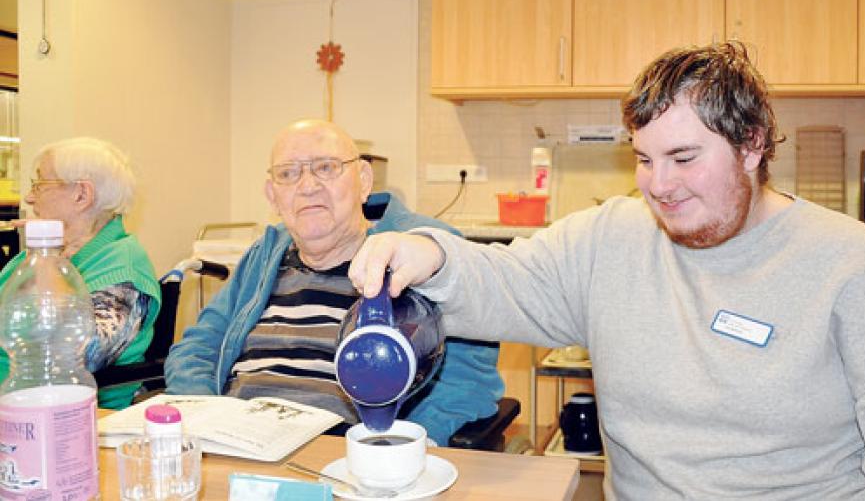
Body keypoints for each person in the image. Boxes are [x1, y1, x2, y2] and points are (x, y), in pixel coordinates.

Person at [349, 43, 865, 498]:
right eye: (644, 159)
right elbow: (510, 283)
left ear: (753, 144)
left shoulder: (857, 269)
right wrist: (432, 254)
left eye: (683, 157)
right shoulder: (611, 237)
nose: (660, 186)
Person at [164, 119, 504, 446]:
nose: (307, 186)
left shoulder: (420, 253)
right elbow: (198, 347)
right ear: (272, 195)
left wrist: (403, 444)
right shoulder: (263, 255)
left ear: (364, 180)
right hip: (238, 442)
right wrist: (205, 417)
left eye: (326, 167)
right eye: (288, 173)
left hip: (343, 451)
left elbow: (469, 378)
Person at [0, 137, 162, 410]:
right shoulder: (40, 256)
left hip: (62, 414)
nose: (29, 197)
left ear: (81, 195)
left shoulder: (124, 268)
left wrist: (47, 255)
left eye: (39, 184)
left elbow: (75, 356)